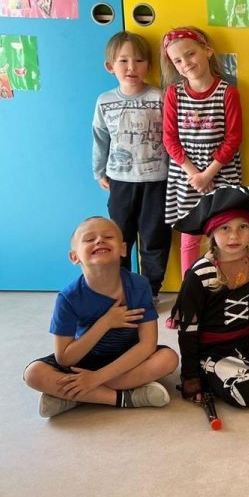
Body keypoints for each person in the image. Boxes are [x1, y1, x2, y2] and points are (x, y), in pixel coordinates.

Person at [22, 217, 178, 418]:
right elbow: (65, 358)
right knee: (33, 374)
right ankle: (123, 398)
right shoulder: (68, 298)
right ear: (74, 256)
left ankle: (77, 395)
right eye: (89, 239)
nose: (99, 241)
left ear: (123, 249)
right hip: (84, 362)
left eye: (108, 237)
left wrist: (95, 379)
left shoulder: (139, 285)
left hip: (127, 360)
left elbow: (147, 345)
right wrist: (106, 322)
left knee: (168, 359)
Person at [170, 185, 249, 409]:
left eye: (243, 226)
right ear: (212, 232)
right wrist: (190, 375)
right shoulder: (200, 273)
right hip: (212, 347)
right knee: (246, 395)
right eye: (225, 228)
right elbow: (188, 329)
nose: (234, 236)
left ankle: (246, 369)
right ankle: (211, 369)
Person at [92, 31, 170, 303]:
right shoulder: (105, 101)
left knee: (154, 236)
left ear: (149, 65)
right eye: (123, 61)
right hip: (120, 181)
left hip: (157, 181)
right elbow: (100, 137)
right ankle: (121, 288)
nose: (131, 67)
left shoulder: (160, 97)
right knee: (120, 238)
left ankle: (150, 289)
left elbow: (172, 137)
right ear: (110, 66)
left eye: (139, 61)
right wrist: (99, 171)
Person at [161, 26, 243, 276]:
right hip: (187, 176)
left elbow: (233, 138)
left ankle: (223, 284)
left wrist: (208, 174)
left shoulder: (227, 92)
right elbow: (169, 139)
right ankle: (191, 288)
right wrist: (194, 174)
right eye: (178, 60)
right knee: (190, 236)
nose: (185, 63)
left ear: (207, 51)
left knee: (224, 233)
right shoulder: (173, 94)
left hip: (221, 172)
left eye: (190, 54)